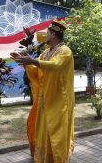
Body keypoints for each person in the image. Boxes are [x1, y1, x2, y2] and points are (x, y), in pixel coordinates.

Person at [11, 21, 75, 163]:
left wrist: (32, 61)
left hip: (59, 100)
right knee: (44, 129)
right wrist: (26, 62)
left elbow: (55, 66)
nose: (44, 36)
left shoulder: (65, 51)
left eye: (46, 34)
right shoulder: (46, 53)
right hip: (44, 99)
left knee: (57, 130)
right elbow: (37, 70)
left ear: (53, 35)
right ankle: (45, 157)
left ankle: (58, 158)